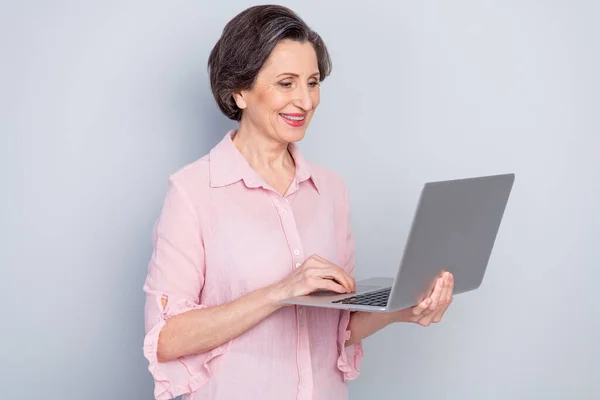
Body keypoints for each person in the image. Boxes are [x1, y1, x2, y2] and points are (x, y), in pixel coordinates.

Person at [142, 5, 454, 400]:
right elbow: (167, 339)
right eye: (286, 83)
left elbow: (337, 328)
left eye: (313, 82)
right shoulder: (191, 192)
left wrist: (403, 309)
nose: (305, 102)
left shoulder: (331, 190)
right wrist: (279, 292)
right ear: (238, 91)